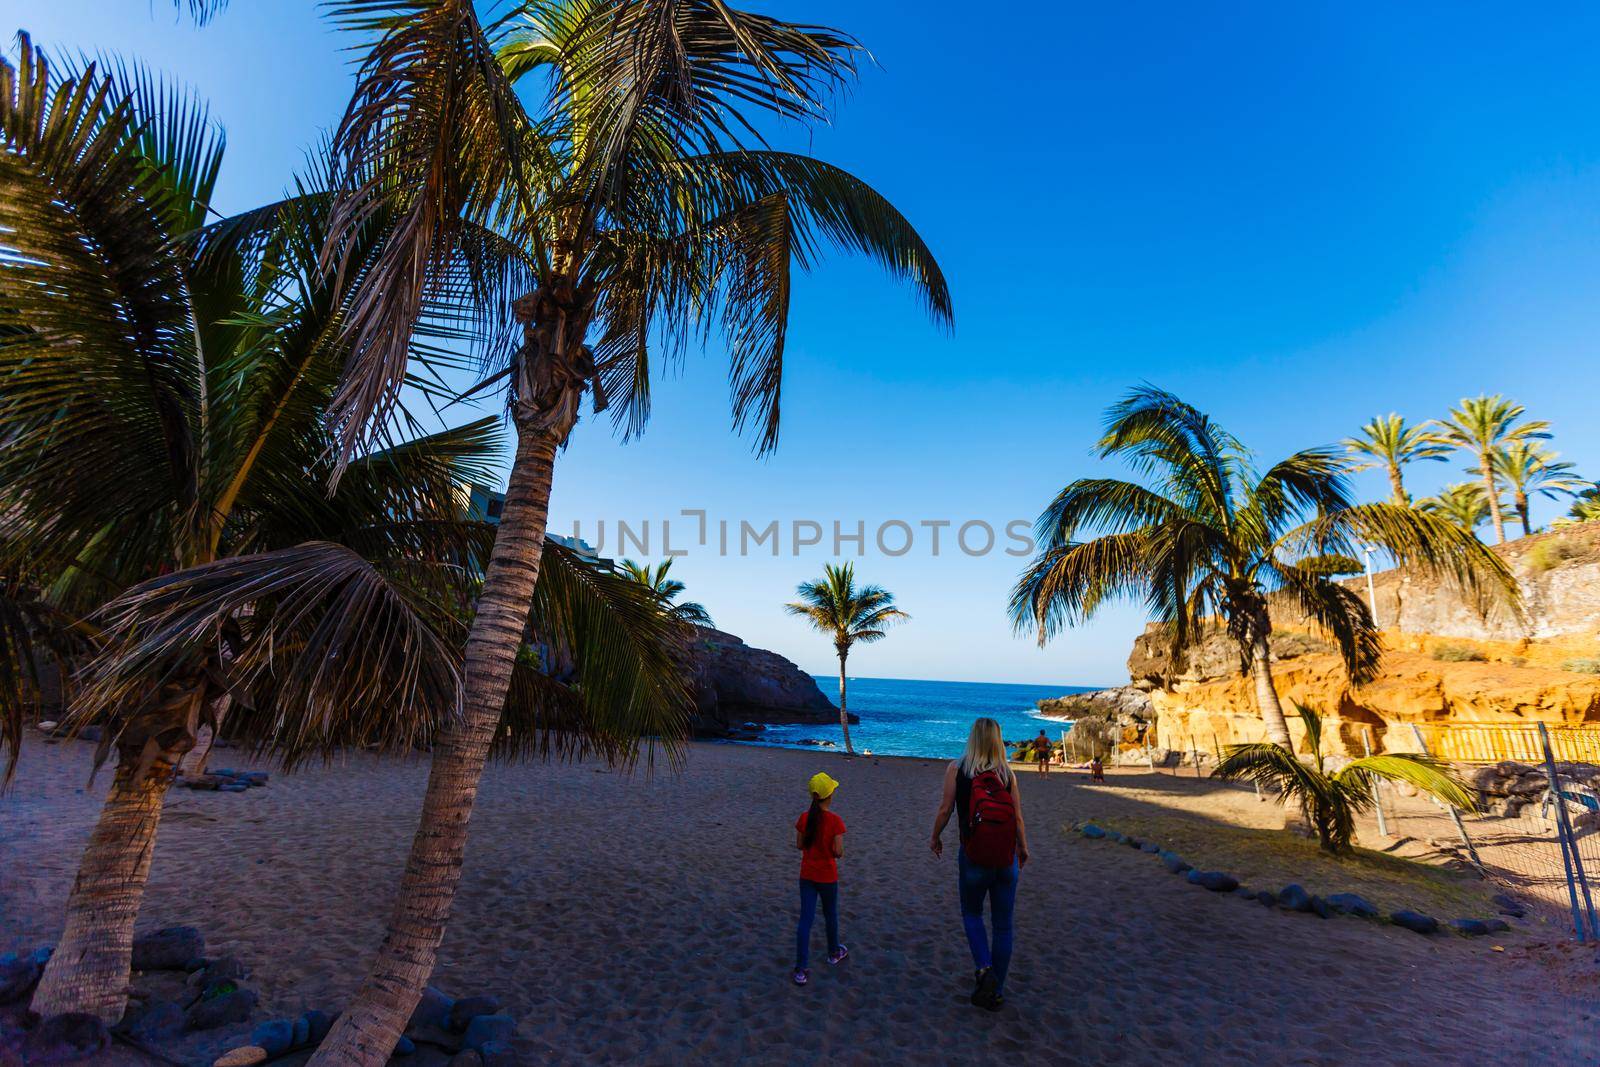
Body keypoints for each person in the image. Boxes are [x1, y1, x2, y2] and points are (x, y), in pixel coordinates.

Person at [929, 718, 1030, 1011]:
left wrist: (935, 837)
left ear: (972, 738)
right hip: (1005, 858)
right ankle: (996, 990)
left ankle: (983, 968)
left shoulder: (956, 769)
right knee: (1003, 926)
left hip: (973, 856)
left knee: (972, 914)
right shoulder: (1007, 774)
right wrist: (1022, 848)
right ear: (998, 741)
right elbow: (1019, 818)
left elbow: (946, 808)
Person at [793, 771, 848, 985]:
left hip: (807, 874)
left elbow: (799, 844)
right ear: (829, 795)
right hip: (827, 875)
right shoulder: (835, 821)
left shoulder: (804, 818)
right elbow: (838, 852)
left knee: (805, 920)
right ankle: (833, 952)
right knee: (830, 915)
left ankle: (801, 968)